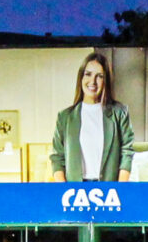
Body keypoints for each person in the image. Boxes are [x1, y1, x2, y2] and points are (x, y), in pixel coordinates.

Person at [51, 50, 134, 181]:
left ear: (106, 80)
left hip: (109, 189)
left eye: (99, 76)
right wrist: (64, 189)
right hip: (75, 190)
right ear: (81, 78)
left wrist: (119, 188)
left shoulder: (120, 113)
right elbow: (57, 158)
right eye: (88, 74)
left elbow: (127, 152)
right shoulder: (65, 117)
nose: (92, 81)